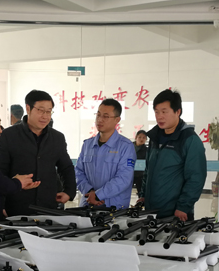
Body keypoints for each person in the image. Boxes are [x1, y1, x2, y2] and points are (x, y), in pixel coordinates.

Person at [0, 90, 76, 216]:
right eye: (41, 110)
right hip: (16, 207)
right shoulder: (9, 135)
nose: (45, 116)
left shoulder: (57, 138)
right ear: (28, 108)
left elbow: (66, 167)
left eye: (49, 111)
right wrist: (0, 204)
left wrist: (69, 192)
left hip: (48, 207)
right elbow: (0, 171)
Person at [139, 89, 207, 219]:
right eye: (156, 112)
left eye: (164, 112)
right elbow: (148, 170)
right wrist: (143, 195)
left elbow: (195, 177)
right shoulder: (154, 138)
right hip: (151, 212)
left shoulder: (189, 140)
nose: (159, 116)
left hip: (175, 214)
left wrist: (183, 207)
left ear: (178, 112)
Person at [75, 99, 136, 209]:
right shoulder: (88, 145)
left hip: (114, 208)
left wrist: (98, 195)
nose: (100, 119)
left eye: (106, 116)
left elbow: (124, 178)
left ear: (117, 120)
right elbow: (78, 172)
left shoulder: (125, 146)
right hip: (88, 204)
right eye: (98, 115)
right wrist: (89, 191)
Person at [133, 129, 147, 194]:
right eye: (140, 137)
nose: (141, 139)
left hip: (140, 174)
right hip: (129, 173)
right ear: (136, 137)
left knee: (141, 192)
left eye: (144, 138)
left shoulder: (147, 150)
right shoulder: (129, 147)